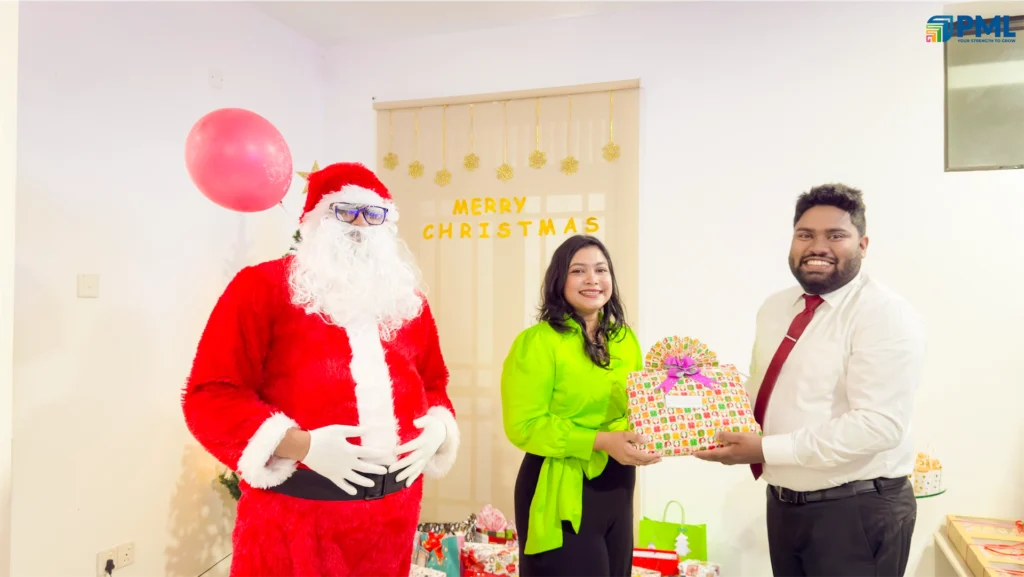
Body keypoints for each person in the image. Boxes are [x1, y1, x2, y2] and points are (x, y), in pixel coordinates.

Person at [181, 162, 460, 577]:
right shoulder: (263, 287)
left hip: (392, 523)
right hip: (294, 523)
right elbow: (211, 395)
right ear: (315, 219)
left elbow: (434, 383)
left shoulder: (405, 300)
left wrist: (439, 427)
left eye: (373, 214)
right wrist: (302, 446)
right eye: (345, 211)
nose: (359, 225)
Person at [695, 184, 925, 577]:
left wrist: (766, 448)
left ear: (863, 244)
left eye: (835, 235)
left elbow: (878, 426)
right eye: (806, 235)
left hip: (857, 512)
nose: (818, 246)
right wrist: (698, 420)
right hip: (785, 505)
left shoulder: (883, 313)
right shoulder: (775, 308)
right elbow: (762, 387)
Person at [500, 234, 660, 577]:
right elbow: (524, 425)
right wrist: (600, 441)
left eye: (601, 270)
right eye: (579, 271)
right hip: (559, 489)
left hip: (617, 483)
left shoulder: (624, 339)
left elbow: (634, 409)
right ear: (560, 281)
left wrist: (660, 428)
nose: (593, 280)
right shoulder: (538, 342)